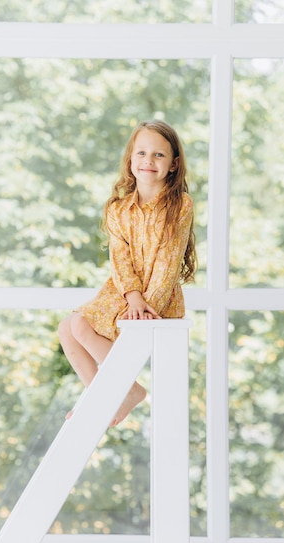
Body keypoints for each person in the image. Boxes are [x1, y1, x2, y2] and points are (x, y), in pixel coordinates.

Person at [58, 119, 197, 427]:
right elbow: (119, 258)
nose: (148, 161)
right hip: (124, 291)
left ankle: (115, 393)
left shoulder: (179, 205)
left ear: (174, 164)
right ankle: (109, 392)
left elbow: (168, 262)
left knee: (79, 324)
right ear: (131, 159)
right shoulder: (118, 209)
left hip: (156, 300)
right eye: (142, 153)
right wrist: (131, 296)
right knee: (66, 328)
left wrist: (147, 304)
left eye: (159, 155)